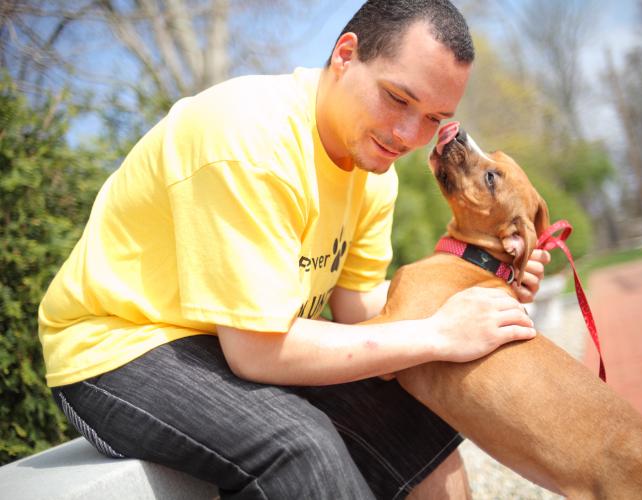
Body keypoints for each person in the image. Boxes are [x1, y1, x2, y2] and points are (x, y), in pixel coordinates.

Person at [39, 0, 550, 498]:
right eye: (397, 98)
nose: (408, 135)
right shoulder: (248, 140)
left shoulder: (372, 167)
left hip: (234, 337)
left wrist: (484, 292)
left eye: (434, 118)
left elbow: (357, 308)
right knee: (302, 448)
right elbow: (257, 351)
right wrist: (437, 335)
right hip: (119, 347)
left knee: (417, 432)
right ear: (345, 55)